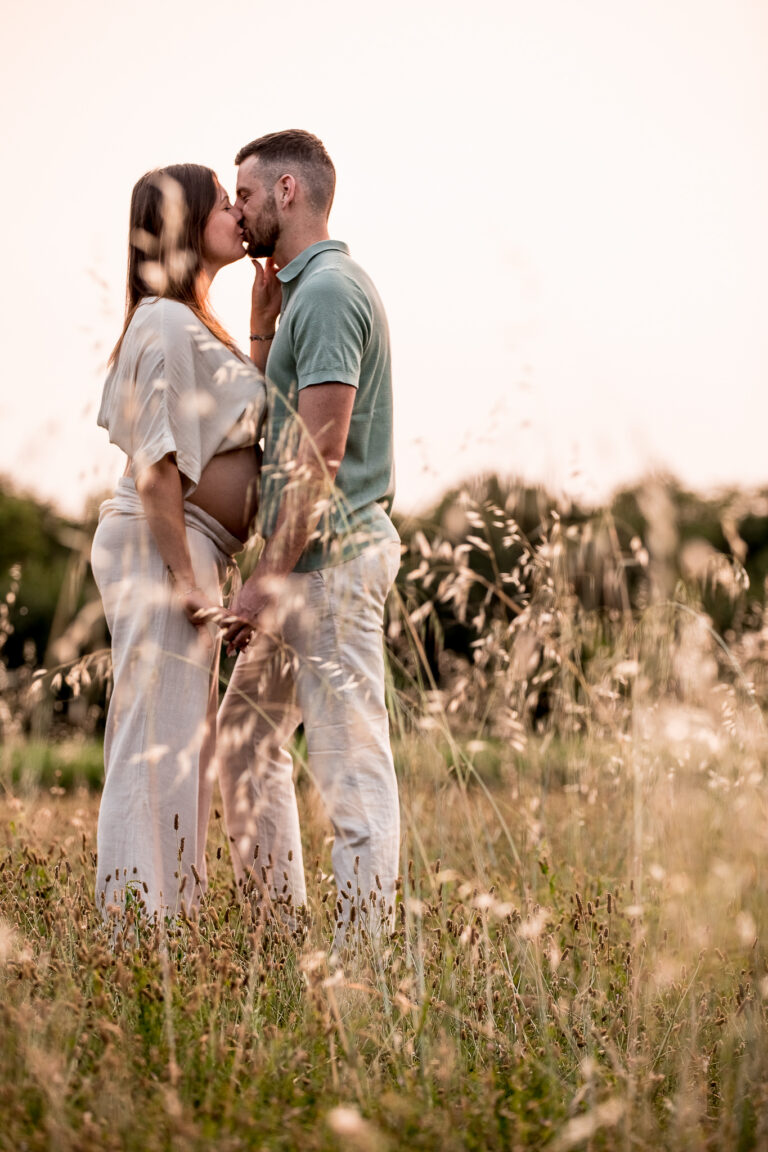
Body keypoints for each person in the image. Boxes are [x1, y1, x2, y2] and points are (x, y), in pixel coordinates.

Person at [216, 130, 401, 944]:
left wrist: (268, 576)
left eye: (246, 194)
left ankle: (366, 972)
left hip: (328, 568)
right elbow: (279, 432)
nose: (238, 209)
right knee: (244, 742)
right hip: (306, 570)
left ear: (288, 191)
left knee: (353, 773)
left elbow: (322, 454)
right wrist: (262, 333)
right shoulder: (304, 297)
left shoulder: (328, 292)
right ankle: (279, 940)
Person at [91, 163, 266, 922]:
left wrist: (259, 328)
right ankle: (136, 933)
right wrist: (188, 584)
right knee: (153, 743)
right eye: (224, 202)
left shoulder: (192, 321)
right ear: (189, 222)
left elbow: (236, 424)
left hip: (192, 552)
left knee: (182, 749)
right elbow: (156, 466)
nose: (238, 211)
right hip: (165, 549)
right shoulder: (162, 318)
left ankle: (175, 931)